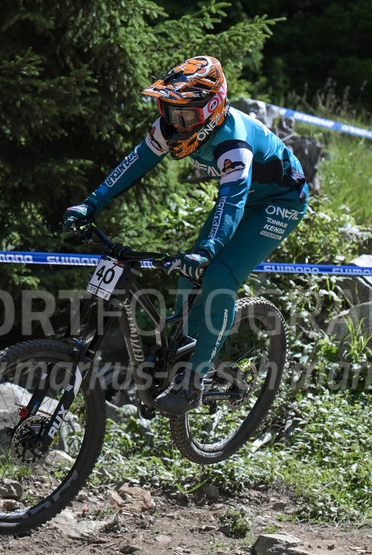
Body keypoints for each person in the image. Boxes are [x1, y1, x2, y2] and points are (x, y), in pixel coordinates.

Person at [63, 55, 308, 416]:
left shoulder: (233, 142)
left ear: (211, 110)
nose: (176, 125)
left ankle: (193, 379)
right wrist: (91, 204)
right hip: (242, 196)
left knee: (218, 273)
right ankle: (179, 355)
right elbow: (135, 163)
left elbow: (233, 198)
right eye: (170, 111)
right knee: (187, 274)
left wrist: (209, 250)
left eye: (186, 116)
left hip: (280, 200)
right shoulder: (170, 126)